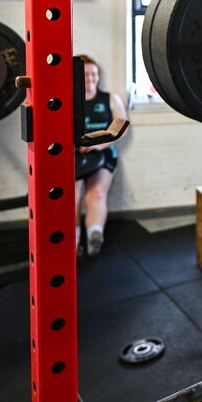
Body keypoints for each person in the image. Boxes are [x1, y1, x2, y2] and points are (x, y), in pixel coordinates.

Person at [75, 55, 129, 257]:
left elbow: (121, 128)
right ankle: (72, 241)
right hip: (74, 156)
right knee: (71, 195)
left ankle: (93, 238)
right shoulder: (67, 101)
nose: (91, 78)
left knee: (96, 193)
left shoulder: (110, 99)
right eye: (86, 74)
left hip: (103, 154)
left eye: (94, 74)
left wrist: (99, 144)